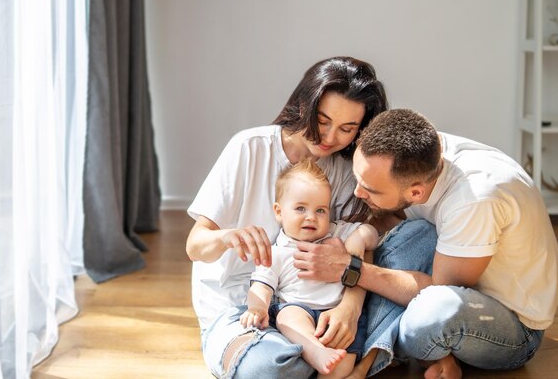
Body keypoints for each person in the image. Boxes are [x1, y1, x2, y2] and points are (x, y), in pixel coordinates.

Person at [186, 56, 433, 379]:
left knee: (420, 236)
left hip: (325, 304)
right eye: (323, 119)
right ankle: (360, 358)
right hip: (243, 312)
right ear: (305, 103)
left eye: (347, 129)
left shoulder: (344, 171)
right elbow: (195, 245)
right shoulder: (249, 148)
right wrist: (226, 237)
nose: (330, 137)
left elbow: (358, 246)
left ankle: (329, 359)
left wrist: (350, 307)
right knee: (266, 370)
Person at [294, 108, 558, 378]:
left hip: (512, 324)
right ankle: (374, 348)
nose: (357, 192)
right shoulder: (416, 154)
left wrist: (349, 268)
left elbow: (440, 291)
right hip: (451, 282)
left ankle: (361, 360)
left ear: (416, 191)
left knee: (427, 316)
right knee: (412, 237)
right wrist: (347, 243)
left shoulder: (473, 199)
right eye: (358, 179)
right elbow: (392, 225)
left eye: (370, 189)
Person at [240, 158, 379, 378]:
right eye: (300, 208)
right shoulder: (276, 252)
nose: (311, 217)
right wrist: (257, 308)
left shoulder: (337, 233)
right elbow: (261, 286)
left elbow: (372, 233)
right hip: (299, 310)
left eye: (321, 210)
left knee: (341, 366)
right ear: (279, 212)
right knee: (288, 316)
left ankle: (326, 366)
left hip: (337, 314)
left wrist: (359, 239)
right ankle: (314, 351)